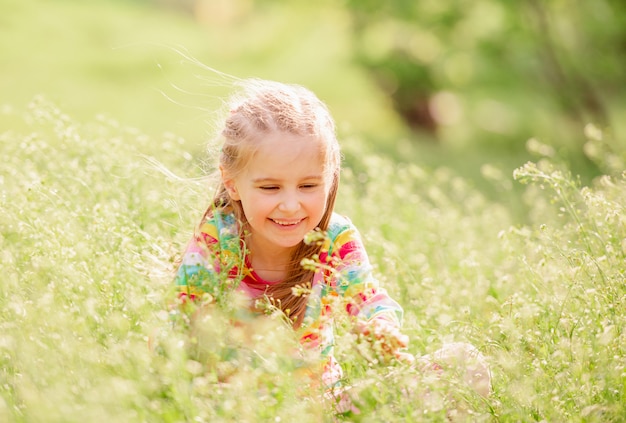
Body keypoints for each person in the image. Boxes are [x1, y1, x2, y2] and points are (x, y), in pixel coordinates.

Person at [172, 78, 490, 413]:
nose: (291, 205)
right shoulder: (219, 239)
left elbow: (367, 299)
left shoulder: (335, 238)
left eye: (308, 185)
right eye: (270, 188)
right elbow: (178, 319)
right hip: (237, 410)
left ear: (330, 178)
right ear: (232, 183)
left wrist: (380, 328)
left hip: (324, 410)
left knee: (462, 365)